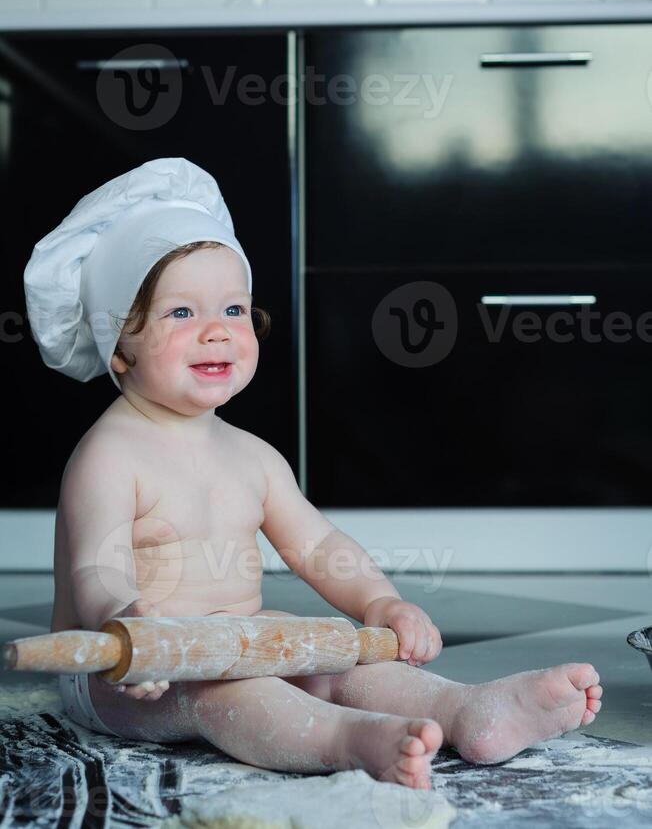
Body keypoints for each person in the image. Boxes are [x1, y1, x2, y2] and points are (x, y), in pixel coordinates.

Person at [24, 158, 602, 790]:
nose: (217, 331)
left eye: (235, 310)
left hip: (237, 638)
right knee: (225, 696)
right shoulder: (108, 455)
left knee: (337, 656)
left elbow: (318, 546)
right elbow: (95, 570)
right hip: (127, 667)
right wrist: (133, 625)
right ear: (119, 345)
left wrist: (379, 601)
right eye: (181, 314)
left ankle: (468, 711)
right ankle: (349, 741)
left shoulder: (251, 454)